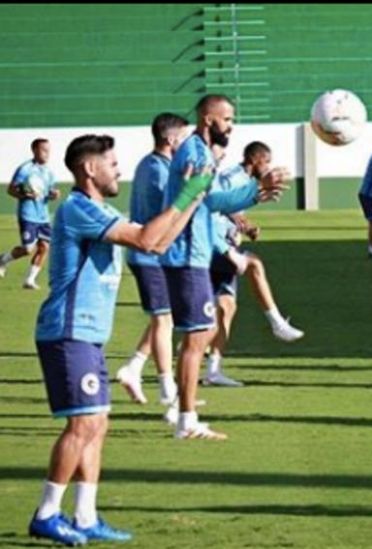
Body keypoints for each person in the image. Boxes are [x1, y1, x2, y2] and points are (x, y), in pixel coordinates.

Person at [27, 134, 207, 545]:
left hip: (87, 335)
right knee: (83, 423)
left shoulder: (100, 209)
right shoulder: (79, 208)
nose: (119, 170)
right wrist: (188, 192)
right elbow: (145, 240)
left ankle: (86, 516)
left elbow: (158, 241)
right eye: (111, 163)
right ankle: (47, 512)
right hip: (68, 332)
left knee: (98, 424)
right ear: (90, 169)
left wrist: (193, 198)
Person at [160, 94, 289, 440]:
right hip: (188, 253)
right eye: (227, 119)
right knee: (196, 337)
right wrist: (255, 189)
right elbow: (212, 198)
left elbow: (213, 199)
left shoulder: (197, 152)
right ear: (208, 120)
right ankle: (184, 419)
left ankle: (181, 410)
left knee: (197, 335)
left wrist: (255, 195)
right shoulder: (196, 153)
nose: (231, 126)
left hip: (195, 253)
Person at [204, 141, 305, 388]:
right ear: (256, 159)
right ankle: (277, 323)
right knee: (255, 264)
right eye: (267, 161)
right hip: (214, 247)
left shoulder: (244, 179)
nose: (268, 166)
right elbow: (222, 204)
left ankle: (213, 371)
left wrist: (247, 227)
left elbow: (236, 209)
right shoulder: (229, 177)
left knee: (226, 309)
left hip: (227, 245)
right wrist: (242, 221)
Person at [115, 113, 189, 409]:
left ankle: (133, 367)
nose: (187, 144)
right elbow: (166, 216)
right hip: (150, 255)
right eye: (183, 137)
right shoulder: (158, 171)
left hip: (154, 255)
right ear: (171, 139)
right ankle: (167, 388)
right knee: (163, 320)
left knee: (166, 318)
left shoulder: (154, 165)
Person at [0, 138, 60, 289]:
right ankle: (3, 259)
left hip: (43, 216)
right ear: (34, 150)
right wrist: (24, 195)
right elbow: (11, 189)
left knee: (44, 246)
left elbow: (51, 191)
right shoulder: (25, 169)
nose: (47, 154)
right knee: (28, 249)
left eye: (48, 150)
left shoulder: (49, 172)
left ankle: (29, 280)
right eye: (43, 150)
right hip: (28, 214)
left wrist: (54, 194)